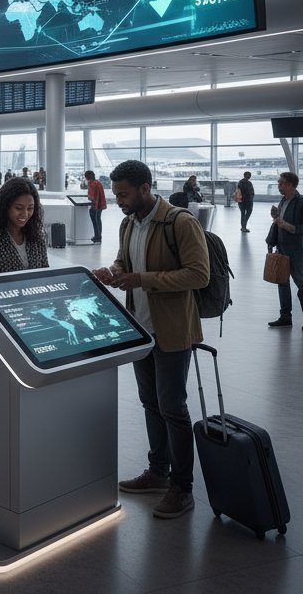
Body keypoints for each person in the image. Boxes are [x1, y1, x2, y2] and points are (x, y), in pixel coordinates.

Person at [94, 159, 209, 521]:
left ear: (145, 188)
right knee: (150, 403)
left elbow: (198, 274)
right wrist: (112, 272)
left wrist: (144, 279)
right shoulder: (129, 224)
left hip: (172, 330)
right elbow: (122, 261)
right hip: (141, 329)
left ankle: (182, 487)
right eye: (116, 195)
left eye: (124, 194)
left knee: (173, 407)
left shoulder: (180, 222)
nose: (119, 202)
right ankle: (158, 471)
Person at [0, 177, 48, 274]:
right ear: (5, 206)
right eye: (19, 208)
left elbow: (45, 274)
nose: (25, 214)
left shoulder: (37, 235)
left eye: (30, 208)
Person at [266, 171, 303, 329]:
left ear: (291, 185)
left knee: (300, 282)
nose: (279, 186)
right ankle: (285, 316)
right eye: (279, 183)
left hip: (295, 249)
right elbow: (277, 223)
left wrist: (286, 225)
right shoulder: (282, 201)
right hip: (281, 247)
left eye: (282, 183)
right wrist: (271, 241)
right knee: (282, 282)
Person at [85, 169, 107, 243]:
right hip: (100, 205)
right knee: (98, 220)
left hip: (94, 206)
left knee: (95, 221)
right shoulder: (98, 183)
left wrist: (92, 203)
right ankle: (98, 236)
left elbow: (91, 196)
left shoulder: (92, 184)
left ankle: (97, 236)